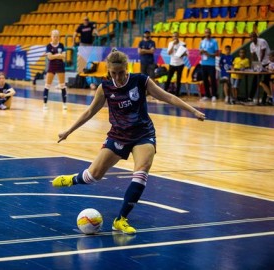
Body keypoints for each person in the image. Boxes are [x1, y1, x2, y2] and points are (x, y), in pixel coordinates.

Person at [52, 49, 206, 234]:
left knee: (141, 171)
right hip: (118, 135)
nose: (117, 76)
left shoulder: (141, 81)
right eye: (113, 73)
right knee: (93, 176)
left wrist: (194, 111)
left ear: (127, 68)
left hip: (143, 134)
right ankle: (74, 179)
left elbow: (168, 97)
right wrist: (68, 131)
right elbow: (89, 112)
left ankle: (121, 219)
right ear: (109, 71)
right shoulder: (105, 87)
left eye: (121, 72)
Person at [43, 29, 67, 111]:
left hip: (60, 66)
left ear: (59, 37)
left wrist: (54, 55)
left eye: (57, 36)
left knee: (62, 85)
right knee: (47, 85)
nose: (56, 38)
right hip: (52, 66)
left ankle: (64, 104)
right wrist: (58, 55)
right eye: (54, 36)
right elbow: (49, 57)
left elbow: (64, 56)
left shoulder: (61, 45)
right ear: (51, 37)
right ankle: (45, 104)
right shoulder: (48, 46)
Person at [249, 32, 271, 105]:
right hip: (260, 63)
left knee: (266, 81)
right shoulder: (251, 45)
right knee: (255, 80)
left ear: (256, 37)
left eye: (253, 37)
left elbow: (263, 52)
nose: (252, 38)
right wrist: (253, 65)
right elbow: (252, 56)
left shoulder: (262, 41)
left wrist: (260, 63)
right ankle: (250, 98)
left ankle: (265, 99)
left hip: (267, 63)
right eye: (251, 37)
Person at [199, 28, 219, 102]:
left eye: (208, 32)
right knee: (205, 80)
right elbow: (199, 52)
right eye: (205, 32)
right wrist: (201, 52)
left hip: (211, 64)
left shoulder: (214, 42)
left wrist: (209, 54)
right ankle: (207, 95)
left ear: (210, 33)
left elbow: (217, 53)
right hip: (204, 63)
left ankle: (214, 95)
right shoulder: (202, 42)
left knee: (213, 80)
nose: (207, 34)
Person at [164, 32, 186, 96]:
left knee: (178, 80)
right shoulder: (170, 43)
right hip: (172, 63)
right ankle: (164, 92)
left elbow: (185, 54)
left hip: (180, 64)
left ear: (178, 36)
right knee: (169, 78)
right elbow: (169, 53)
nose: (175, 38)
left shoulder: (183, 44)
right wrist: (173, 45)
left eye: (176, 36)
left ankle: (177, 94)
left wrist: (182, 53)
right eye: (173, 36)